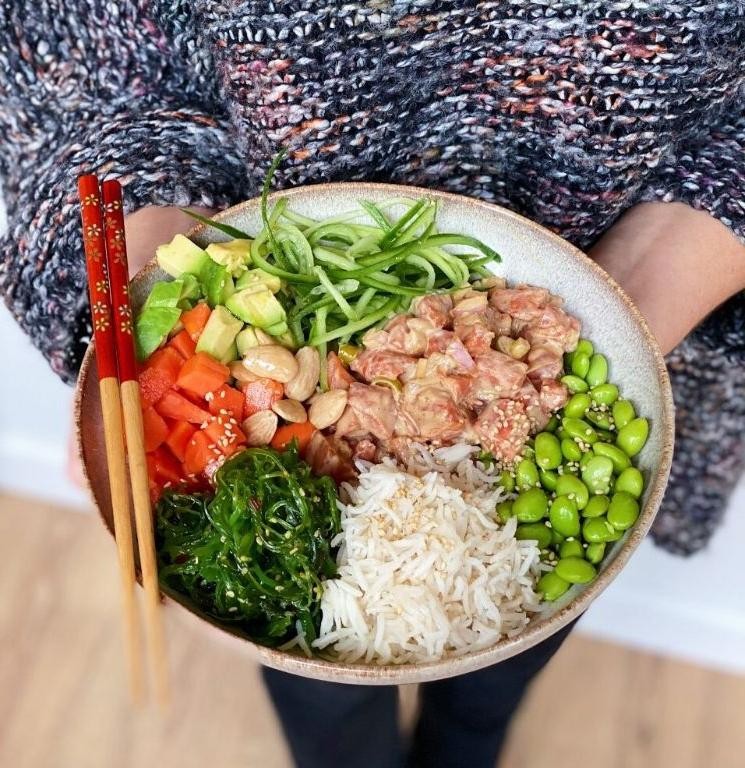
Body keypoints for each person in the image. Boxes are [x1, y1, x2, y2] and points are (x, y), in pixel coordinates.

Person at [1, 3, 744, 767]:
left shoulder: (565, 425)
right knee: (323, 688)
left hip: (646, 299)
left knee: (505, 660)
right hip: (252, 222)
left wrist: (613, 309)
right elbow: (81, 85)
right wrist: (156, 309)